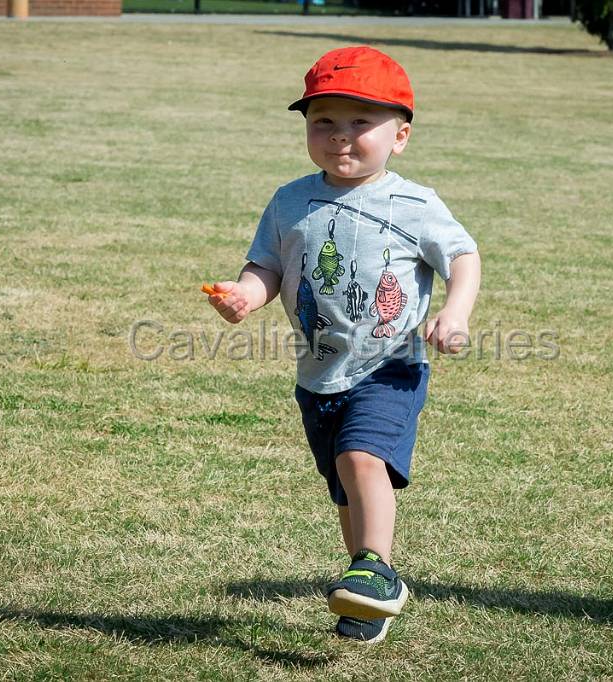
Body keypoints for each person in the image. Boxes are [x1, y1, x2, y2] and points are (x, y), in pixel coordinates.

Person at [206, 45, 481, 644]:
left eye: (362, 122)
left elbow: (463, 256)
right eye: (323, 122)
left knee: (362, 460)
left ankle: (379, 570)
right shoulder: (289, 199)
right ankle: (365, 595)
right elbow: (268, 264)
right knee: (345, 490)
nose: (340, 137)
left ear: (400, 135)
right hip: (318, 374)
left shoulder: (415, 203)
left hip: (391, 365)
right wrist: (247, 295)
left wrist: (455, 312)